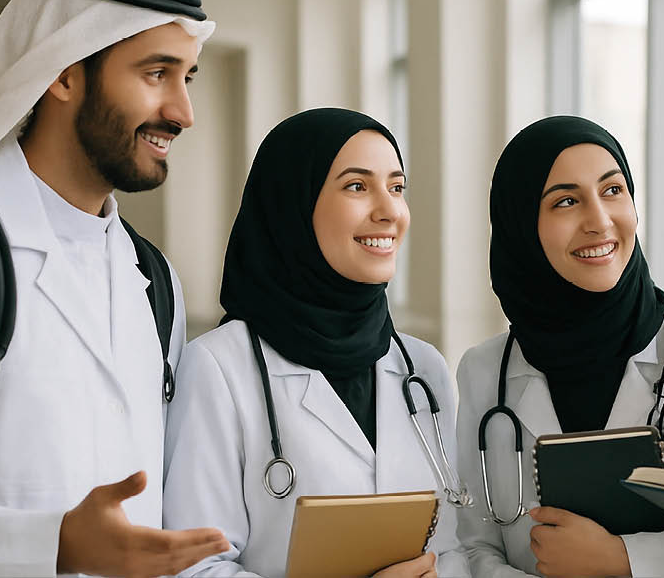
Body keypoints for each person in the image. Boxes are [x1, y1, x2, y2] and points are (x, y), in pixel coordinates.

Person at [0, 0, 229, 576]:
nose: (182, 112)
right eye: (156, 73)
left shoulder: (155, 280)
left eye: (187, 78)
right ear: (63, 73)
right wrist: (49, 544)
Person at [163, 108, 470, 577]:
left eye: (396, 186)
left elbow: (453, 546)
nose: (389, 210)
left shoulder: (422, 369)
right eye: (357, 186)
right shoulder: (220, 367)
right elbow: (192, 567)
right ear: (294, 204)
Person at [455, 116, 664, 577]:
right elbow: (473, 546)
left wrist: (623, 561)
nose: (599, 221)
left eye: (613, 191)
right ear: (521, 225)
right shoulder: (486, 370)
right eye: (566, 201)